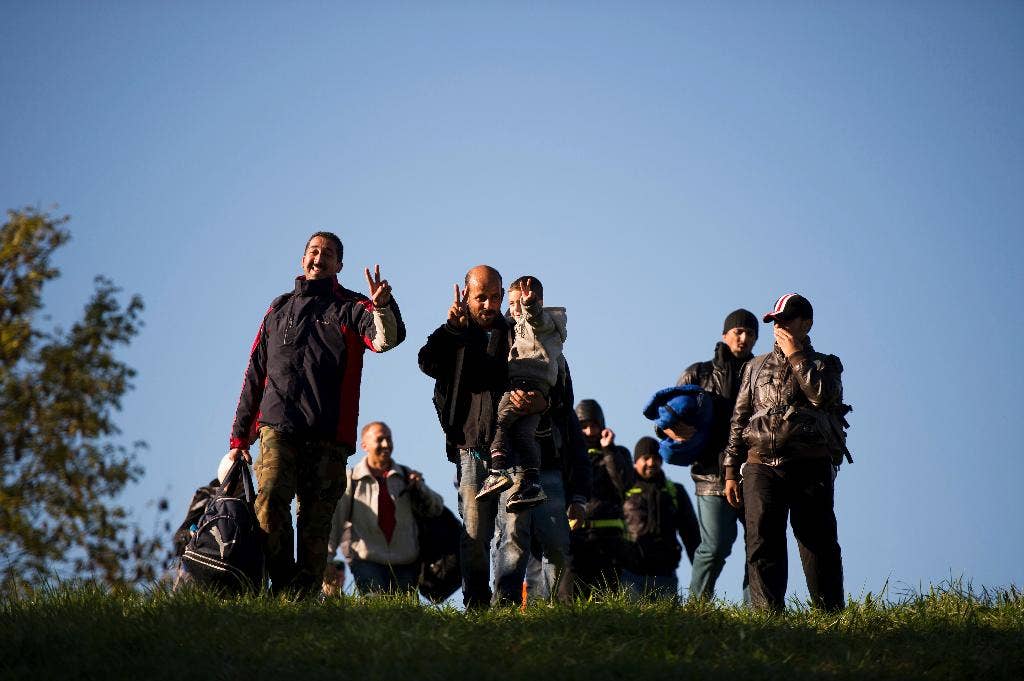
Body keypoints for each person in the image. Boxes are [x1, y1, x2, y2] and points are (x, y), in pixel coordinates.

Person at [227, 231, 406, 595]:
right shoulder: (277, 309)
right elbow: (254, 374)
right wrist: (239, 439)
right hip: (277, 427)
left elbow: (385, 339)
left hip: (328, 435)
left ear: (339, 265)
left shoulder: (353, 306)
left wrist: (383, 306)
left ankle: (302, 600)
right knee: (270, 499)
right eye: (313, 251)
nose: (318, 258)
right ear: (303, 259)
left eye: (327, 254)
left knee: (314, 524)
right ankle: (283, 583)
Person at [417, 265, 547, 609]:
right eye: (480, 297)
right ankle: (476, 604)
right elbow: (427, 362)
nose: (488, 305)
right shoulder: (457, 331)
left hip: (515, 449)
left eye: (494, 297)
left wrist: (539, 399)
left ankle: (505, 604)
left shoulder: (518, 332)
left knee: (516, 531)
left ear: (503, 295)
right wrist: (453, 331)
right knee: (475, 535)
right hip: (471, 450)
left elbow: (556, 380)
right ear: (466, 295)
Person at [723, 293, 845, 612]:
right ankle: (767, 617)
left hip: (809, 464)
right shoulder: (754, 366)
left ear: (806, 323)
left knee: (816, 540)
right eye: (775, 321)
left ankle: (829, 612)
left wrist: (796, 355)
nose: (780, 326)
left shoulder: (825, 363)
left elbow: (822, 397)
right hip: (759, 465)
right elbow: (739, 419)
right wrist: (729, 470)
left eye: (786, 320)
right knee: (762, 540)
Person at [491, 276, 591, 606]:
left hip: (549, 464)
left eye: (529, 301)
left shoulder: (554, 355)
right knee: (512, 541)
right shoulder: (496, 341)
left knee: (558, 545)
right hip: (509, 464)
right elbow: (481, 399)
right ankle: (504, 608)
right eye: (516, 302)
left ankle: (558, 611)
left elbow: (568, 418)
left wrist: (579, 491)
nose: (521, 307)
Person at [677, 309, 757, 601]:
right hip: (710, 475)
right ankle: (697, 608)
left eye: (750, 333)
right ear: (725, 334)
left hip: (753, 473)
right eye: (738, 331)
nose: (744, 337)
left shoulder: (763, 373)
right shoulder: (698, 373)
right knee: (715, 546)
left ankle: (758, 612)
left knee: (758, 546)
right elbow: (667, 418)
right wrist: (677, 431)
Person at [477, 277, 567, 512]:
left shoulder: (541, 323)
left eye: (521, 302)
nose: (515, 308)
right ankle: (532, 482)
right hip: (537, 386)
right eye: (512, 302)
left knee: (500, 422)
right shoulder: (510, 330)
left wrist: (531, 306)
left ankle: (497, 471)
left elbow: (537, 320)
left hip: (525, 381)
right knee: (525, 435)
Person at [326, 422, 444, 595]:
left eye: (389, 439)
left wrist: (420, 488)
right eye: (380, 440)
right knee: (375, 609)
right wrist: (327, 559)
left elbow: (436, 508)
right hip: (367, 560)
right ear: (364, 445)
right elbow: (335, 523)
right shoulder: (351, 480)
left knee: (404, 617)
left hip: (406, 562)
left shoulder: (405, 476)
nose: (386, 444)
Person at [568, 399, 635, 597]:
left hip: (609, 540)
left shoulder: (618, 453)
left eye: (594, 425)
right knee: (569, 599)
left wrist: (609, 450)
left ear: (602, 425)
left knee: (606, 599)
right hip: (575, 536)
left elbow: (625, 485)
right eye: (583, 426)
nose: (589, 431)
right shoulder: (567, 453)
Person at [620, 437, 700, 601]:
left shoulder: (675, 491)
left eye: (656, 458)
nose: (651, 462)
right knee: (629, 625)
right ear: (635, 461)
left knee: (668, 626)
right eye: (646, 458)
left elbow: (691, 535)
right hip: (630, 575)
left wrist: (700, 573)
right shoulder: (622, 490)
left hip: (665, 577)